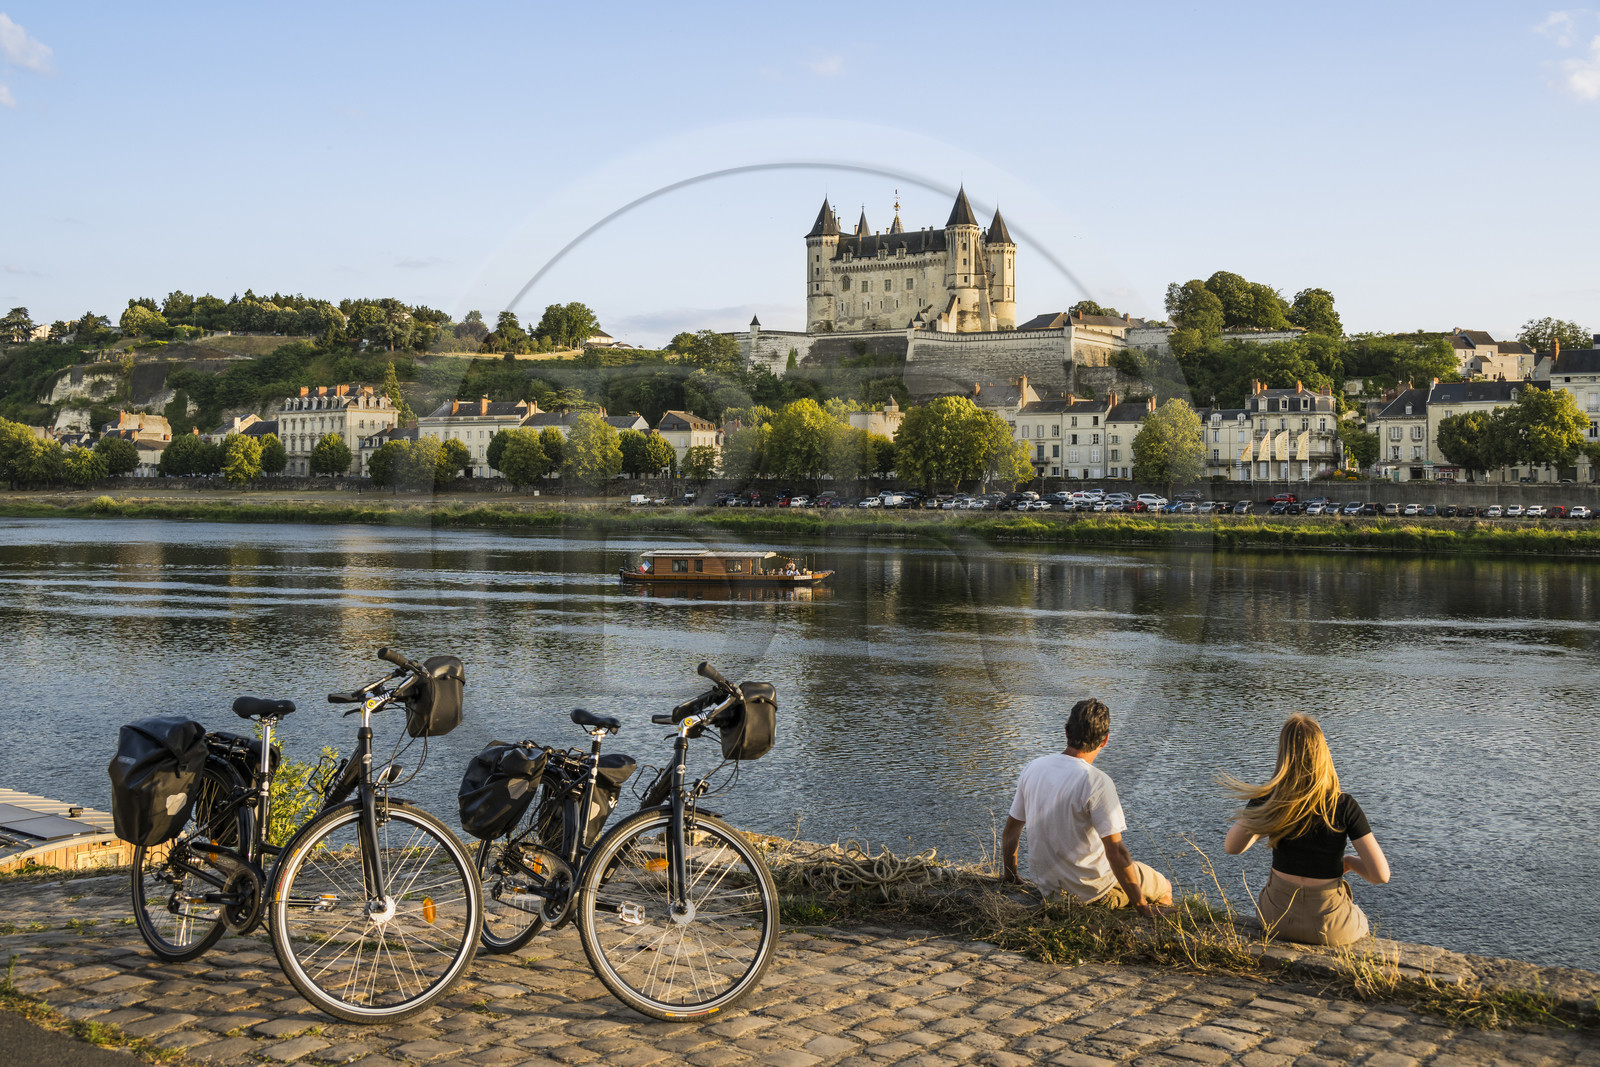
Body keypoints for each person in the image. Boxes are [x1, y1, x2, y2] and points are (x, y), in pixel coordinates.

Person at [1223, 714, 1389, 946]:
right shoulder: (1344, 806)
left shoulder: (1268, 802)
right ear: (1323, 753)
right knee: (1360, 918)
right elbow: (1381, 875)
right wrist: (1349, 862)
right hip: (1330, 929)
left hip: (1275, 921)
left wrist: (1265, 818)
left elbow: (1232, 847)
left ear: (1283, 754)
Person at [1002, 698, 1172, 916]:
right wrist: (1142, 908)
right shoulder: (1097, 782)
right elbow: (1117, 852)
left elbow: (1011, 832)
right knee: (1164, 886)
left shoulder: (1033, 768)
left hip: (1048, 890)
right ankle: (1156, 933)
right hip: (1093, 894)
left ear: (1066, 732)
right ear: (1105, 740)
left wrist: (1010, 875)